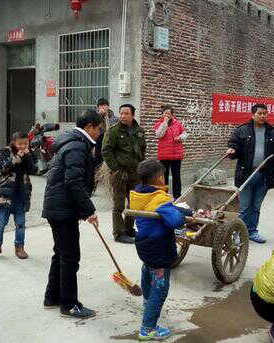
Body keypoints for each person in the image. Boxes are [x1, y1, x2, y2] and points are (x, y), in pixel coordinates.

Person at [42, 109, 101, 319]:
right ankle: (69, 304)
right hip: (62, 209)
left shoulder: (72, 142)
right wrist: (89, 210)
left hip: (59, 207)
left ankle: (52, 296)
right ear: (89, 127)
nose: (99, 133)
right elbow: (74, 182)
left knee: (61, 253)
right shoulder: (76, 146)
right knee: (70, 257)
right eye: (98, 128)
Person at [130, 159, 191, 341]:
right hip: (159, 248)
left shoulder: (137, 193)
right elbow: (175, 221)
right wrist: (181, 214)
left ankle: (148, 304)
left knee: (147, 270)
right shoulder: (159, 198)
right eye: (164, 175)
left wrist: (174, 209)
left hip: (143, 244)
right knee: (160, 288)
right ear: (159, 179)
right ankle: (147, 329)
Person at [226, 104, 274, 244]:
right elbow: (234, 144)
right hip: (247, 174)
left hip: (264, 175)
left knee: (256, 206)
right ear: (253, 115)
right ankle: (239, 233)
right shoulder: (242, 130)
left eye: (265, 113)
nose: (263, 116)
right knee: (245, 206)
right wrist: (232, 150)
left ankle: (252, 231)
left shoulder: (273, 132)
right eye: (260, 113)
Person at [0, 132, 38, 261]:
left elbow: (34, 170)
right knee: (0, 223)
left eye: (26, 143)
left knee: (20, 223)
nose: (23, 146)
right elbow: (2, 168)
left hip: (21, 193)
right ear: (13, 142)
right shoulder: (4, 152)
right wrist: (17, 158)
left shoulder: (29, 153)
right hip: (4, 193)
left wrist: (28, 156)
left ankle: (19, 247)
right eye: (20, 144)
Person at [102, 104, 147, 244]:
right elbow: (106, 151)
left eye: (126, 113)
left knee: (134, 203)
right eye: (121, 113)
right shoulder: (113, 131)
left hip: (136, 173)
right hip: (120, 173)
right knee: (118, 205)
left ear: (133, 115)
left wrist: (141, 166)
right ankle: (118, 233)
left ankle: (128, 229)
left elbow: (142, 148)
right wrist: (115, 169)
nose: (122, 116)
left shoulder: (139, 131)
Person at [153, 106, 188, 199]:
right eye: (165, 113)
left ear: (172, 115)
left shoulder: (178, 124)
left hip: (177, 155)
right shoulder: (159, 124)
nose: (167, 115)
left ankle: (177, 196)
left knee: (176, 176)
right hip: (164, 155)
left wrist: (180, 137)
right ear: (162, 114)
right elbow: (159, 134)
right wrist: (164, 122)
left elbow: (185, 134)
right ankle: (164, 196)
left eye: (169, 113)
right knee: (164, 177)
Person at [94, 98, 118, 167]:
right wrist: (100, 116)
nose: (102, 108)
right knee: (98, 160)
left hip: (110, 141)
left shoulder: (114, 118)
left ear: (108, 106)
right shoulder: (95, 117)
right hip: (99, 141)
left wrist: (106, 117)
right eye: (100, 106)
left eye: (104, 105)